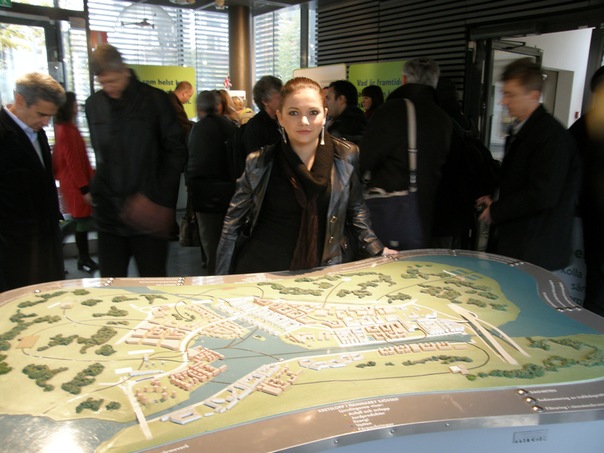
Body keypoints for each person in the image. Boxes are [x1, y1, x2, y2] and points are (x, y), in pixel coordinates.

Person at [216, 77, 385, 275]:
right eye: (294, 113)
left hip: (323, 267)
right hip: (263, 269)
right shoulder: (260, 162)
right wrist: (221, 277)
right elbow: (233, 223)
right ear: (280, 117)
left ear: (324, 115)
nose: (304, 121)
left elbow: (356, 210)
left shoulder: (345, 156)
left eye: (313, 112)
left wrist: (376, 249)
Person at [85, 43, 188, 278]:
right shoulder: (94, 105)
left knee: (153, 283)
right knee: (111, 284)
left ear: (124, 70)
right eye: (103, 83)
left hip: (148, 216)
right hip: (108, 215)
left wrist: (156, 198)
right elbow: (102, 157)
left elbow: (176, 152)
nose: (108, 88)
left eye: (112, 81)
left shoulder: (155, 100)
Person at [477, 58, 580, 271]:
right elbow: (519, 181)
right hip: (520, 246)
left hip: (536, 251)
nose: (503, 101)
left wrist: (498, 210)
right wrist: (495, 201)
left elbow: (543, 194)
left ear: (533, 95)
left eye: (510, 94)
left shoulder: (551, 136)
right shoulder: (524, 130)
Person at [360, 58, 452, 249]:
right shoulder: (443, 118)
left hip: (389, 213)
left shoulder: (393, 110)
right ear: (434, 82)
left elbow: (366, 159)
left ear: (404, 79)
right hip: (424, 214)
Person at [0, 72, 66, 292]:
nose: (46, 122)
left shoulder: (38, 132)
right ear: (20, 100)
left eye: (50, 116)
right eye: (41, 114)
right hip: (13, 247)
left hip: (45, 240)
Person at [186, 91, 238, 274]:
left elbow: (193, 166)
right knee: (229, 242)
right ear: (218, 105)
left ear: (199, 107)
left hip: (205, 196)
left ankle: (215, 280)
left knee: (211, 245)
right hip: (230, 194)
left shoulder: (197, 130)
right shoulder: (230, 126)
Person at [569, 65, 604, 316]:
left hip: (593, 220)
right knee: (596, 283)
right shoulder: (584, 127)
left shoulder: (585, 126)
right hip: (593, 221)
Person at [52, 91, 98, 273]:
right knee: (80, 220)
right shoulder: (66, 130)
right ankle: (82, 258)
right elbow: (73, 163)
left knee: (81, 220)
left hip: (75, 182)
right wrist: (84, 188)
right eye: (74, 104)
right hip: (75, 184)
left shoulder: (66, 128)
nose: (76, 107)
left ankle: (82, 257)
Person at [242, 75, 283, 154]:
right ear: (265, 101)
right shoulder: (255, 126)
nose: (283, 100)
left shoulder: (281, 120)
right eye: (279, 97)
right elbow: (255, 157)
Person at [325, 80, 367, 144]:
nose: (326, 103)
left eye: (328, 98)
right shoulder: (361, 121)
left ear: (341, 99)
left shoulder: (342, 131)